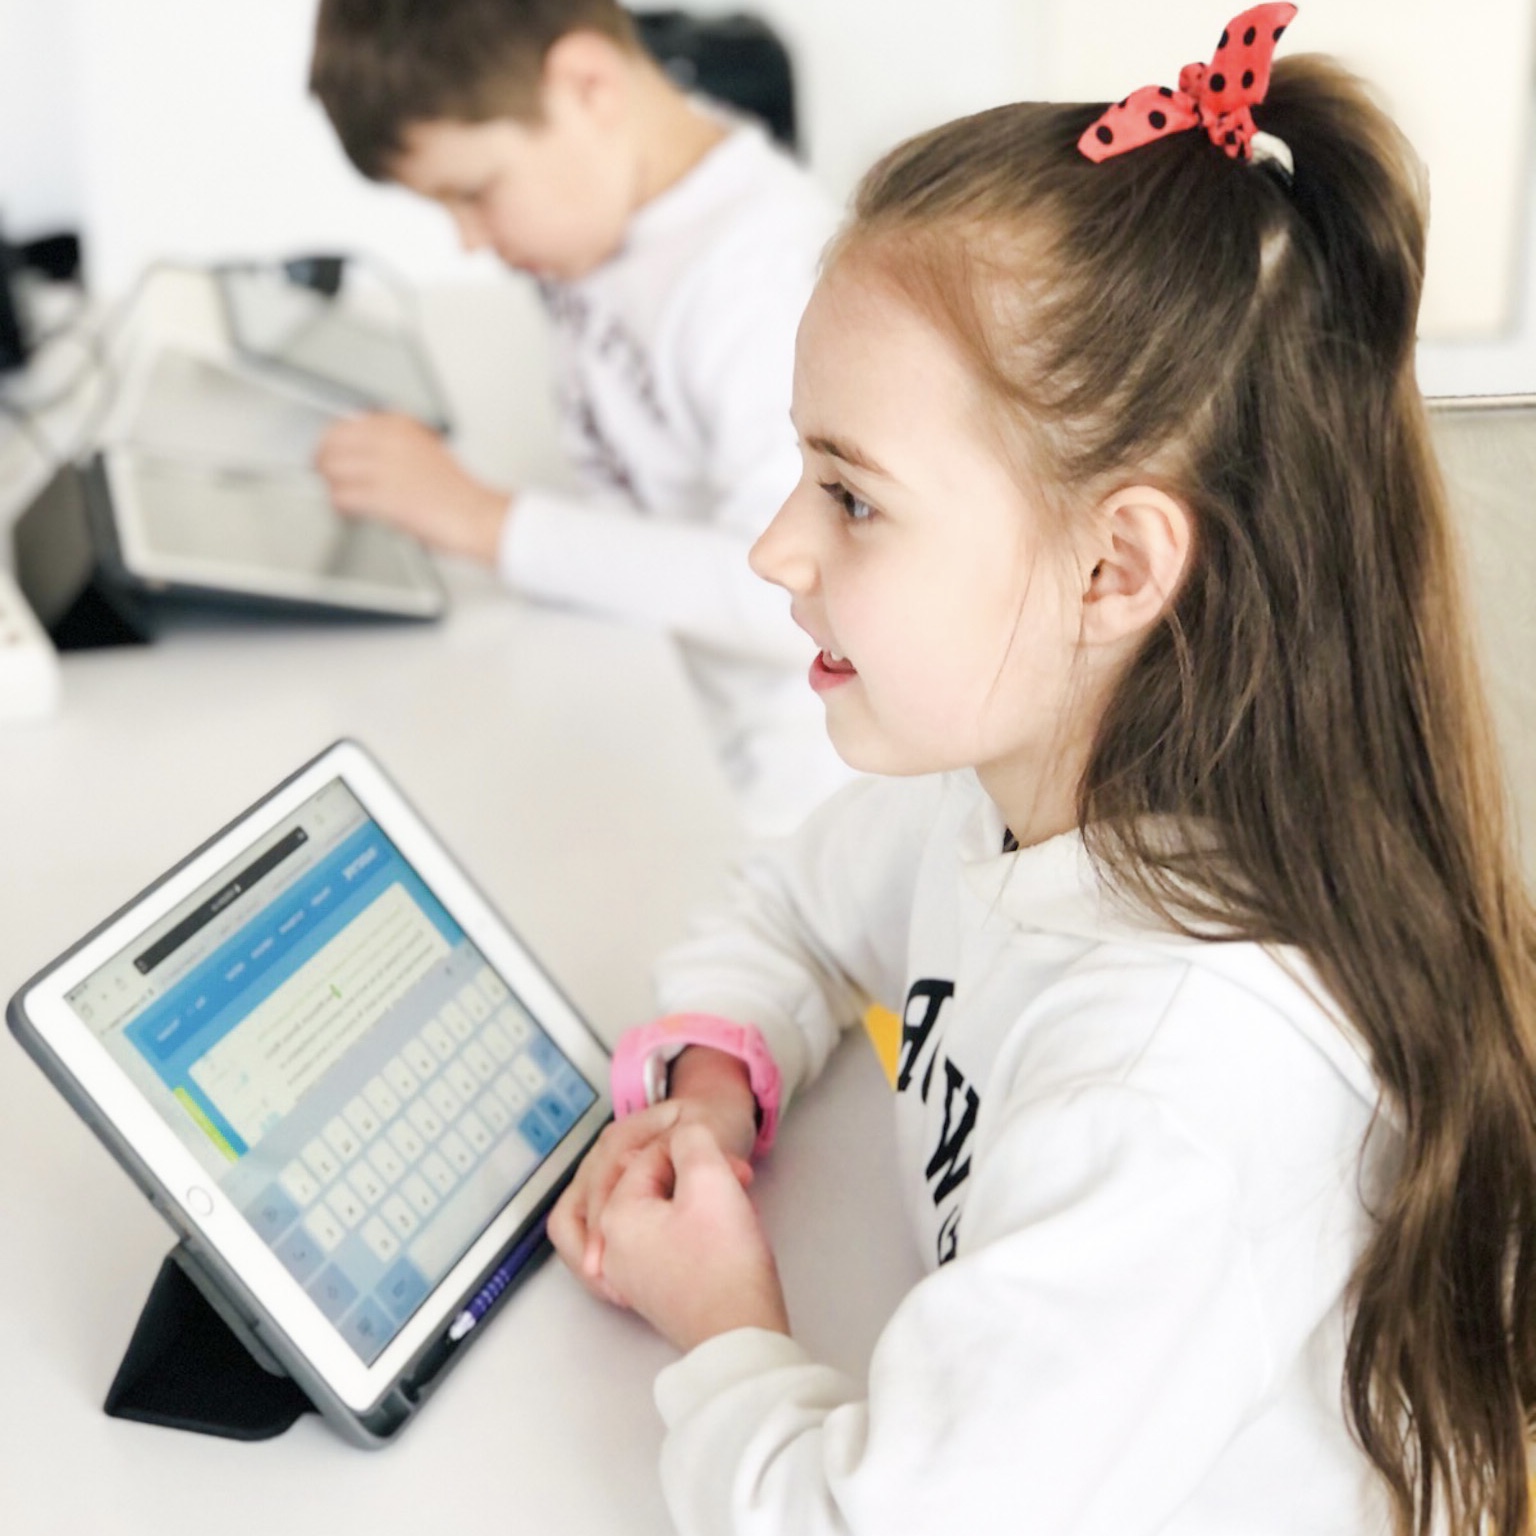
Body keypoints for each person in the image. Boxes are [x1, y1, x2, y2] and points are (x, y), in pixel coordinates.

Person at [547, 7, 1536, 1534]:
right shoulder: (1000, 798)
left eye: (851, 497)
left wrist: (723, 1320)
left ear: (1113, 569)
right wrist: (712, 1085)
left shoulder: (1174, 1092)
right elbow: (793, 906)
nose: (775, 549)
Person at [307, 0, 852, 837]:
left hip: (792, 808)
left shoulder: (762, 279)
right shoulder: (606, 225)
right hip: (675, 737)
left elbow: (796, 593)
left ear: (590, 86)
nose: (469, 239)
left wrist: (485, 521)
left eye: (475, 193)